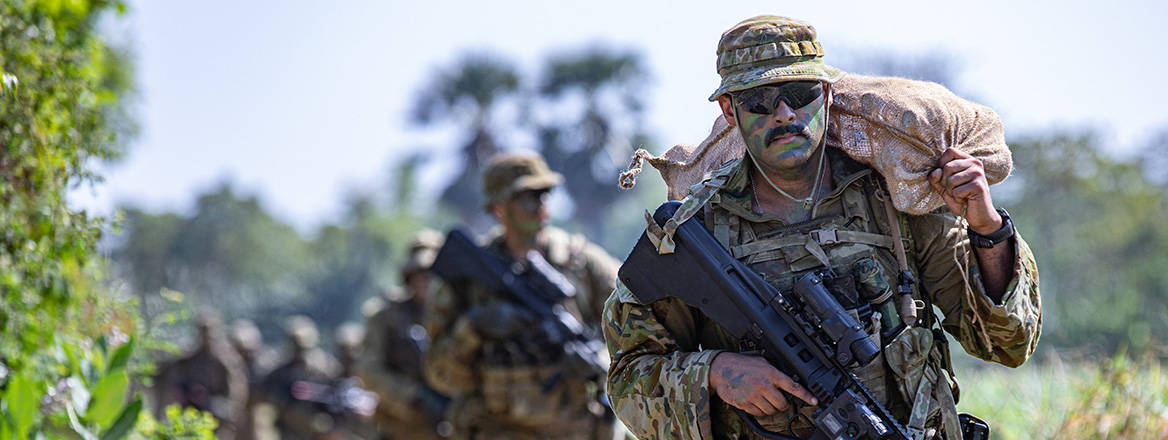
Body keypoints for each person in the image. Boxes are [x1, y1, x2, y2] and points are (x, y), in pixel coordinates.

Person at [603, 16, 1042, 440]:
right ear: (729, 111)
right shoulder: (695, 230)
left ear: (827, 96)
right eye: (759, 100)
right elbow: (627, 380)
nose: (783, 113)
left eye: (800, 93)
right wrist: (715, 374)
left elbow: (1007, 344)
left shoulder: (898, 201)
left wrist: (986, 226)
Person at [423, 152, 620, 440]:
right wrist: (472, 329)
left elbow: (640, 327)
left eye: (544, 194)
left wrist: (601, 358)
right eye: (526, 197)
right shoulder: (468, 277)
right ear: (497, 208)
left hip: (575, 430)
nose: (539, 206)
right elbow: (440, 376)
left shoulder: (582, 263)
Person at [357, 229, 452, 439]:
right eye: (421, 275)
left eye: (434, 274)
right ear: (409, 276)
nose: (428, 281)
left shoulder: (456, 315)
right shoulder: (386, 315)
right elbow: (368, 370)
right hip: (400, 428)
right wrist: (412, 396)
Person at [153, 309, 248, 439]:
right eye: (202, 332)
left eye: (209, 332)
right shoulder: (188, 360)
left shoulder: (225, 362)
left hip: (217, 419)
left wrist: (210, 402)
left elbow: (235, 399)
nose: (205, 336)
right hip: (192, 417)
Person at [258, 315, 342, 440]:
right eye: (296, 346)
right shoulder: (280, 371)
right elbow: (265, 393)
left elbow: (336, 397)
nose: (299, 352)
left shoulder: (325, 369)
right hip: (289, 430)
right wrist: (285, 406)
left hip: (317, 430)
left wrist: (323, 420)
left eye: (302, 347)